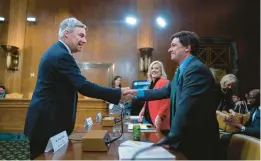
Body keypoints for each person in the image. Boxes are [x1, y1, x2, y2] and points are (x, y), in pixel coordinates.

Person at [23, 18, 130, 159]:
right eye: (81, 35)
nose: (85, 40)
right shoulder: (61, 55)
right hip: (47, 124)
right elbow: (83, 86)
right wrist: (118, 93)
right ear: (66, 34)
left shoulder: (60, 52)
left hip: (49, 122)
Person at [128, 31, 220, 159]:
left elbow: (185, 107)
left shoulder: (196, 69)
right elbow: (164, 91)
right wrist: (136, 93)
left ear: (187, 47)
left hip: (198, 143)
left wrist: (171, 138)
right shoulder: (182, 71)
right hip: (186, 140)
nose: (169, 49)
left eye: (173, 45)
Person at [137, 61, 170, 134]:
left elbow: (166, 102)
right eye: (152, 68)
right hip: (151, 120)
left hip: (160, 121)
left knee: (160, 143)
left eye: (156, 68)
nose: (153, 70)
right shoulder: (151, 84)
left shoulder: (164, 82)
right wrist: (142, 110)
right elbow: (149, 99)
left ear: (161, 71)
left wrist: (159, 116)